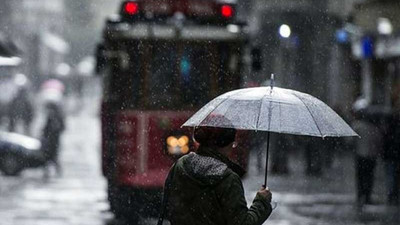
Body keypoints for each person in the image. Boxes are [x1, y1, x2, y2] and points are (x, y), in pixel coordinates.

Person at [159, 125, 273, 225]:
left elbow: (167, 206)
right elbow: (242, 222)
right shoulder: (228, 179)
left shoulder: (180, 165)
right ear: (227, 145)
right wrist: (261, 201)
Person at [41, 102, 65, 177]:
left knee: (53, 157)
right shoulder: (50, 117)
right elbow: (46, 128)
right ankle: (47, 172)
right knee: (48, 157)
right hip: (48, 141)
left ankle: (58, 172)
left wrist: (55, 129)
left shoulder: (57, 117)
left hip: (54, 141)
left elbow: (62, 128)